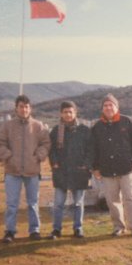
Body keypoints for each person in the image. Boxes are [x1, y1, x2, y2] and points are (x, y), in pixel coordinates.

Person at [0, 95, 51, 243]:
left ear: (30, 108)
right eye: (21, 106)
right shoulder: (8, 126)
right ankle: (10, 231)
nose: (24, 109)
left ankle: (34, 230)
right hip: (12, 171)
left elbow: (46, 144)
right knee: (12, 204)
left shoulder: (38, 126)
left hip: (32, 171)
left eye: (26, 107)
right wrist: (8, 156)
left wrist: (38, 156)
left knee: (33, 203)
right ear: (16, 108)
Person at [91, 93, 132, 238]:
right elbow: (93, 149)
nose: (108, 107)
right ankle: (118, 227)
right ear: (102, 108)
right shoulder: (97, 127)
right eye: (105, 105)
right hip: (107, 171)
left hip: (128, 169)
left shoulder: (128, 122)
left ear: (117, 107)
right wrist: (95, 168)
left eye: (111, 105)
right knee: (112, 200)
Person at [48, 101, 92, 239]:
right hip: (61, 171)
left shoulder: (84, 130)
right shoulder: (56, 131)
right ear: (61, 113)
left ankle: (78, 228)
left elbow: (90, 151)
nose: (68, 114)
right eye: (65, 112)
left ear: (75, 113)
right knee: (58, 203)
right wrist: (54, 163)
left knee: (78, 203)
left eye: (70, 112)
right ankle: (56, 229)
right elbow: (51, 150)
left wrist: (86, 165)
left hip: (79, 171)